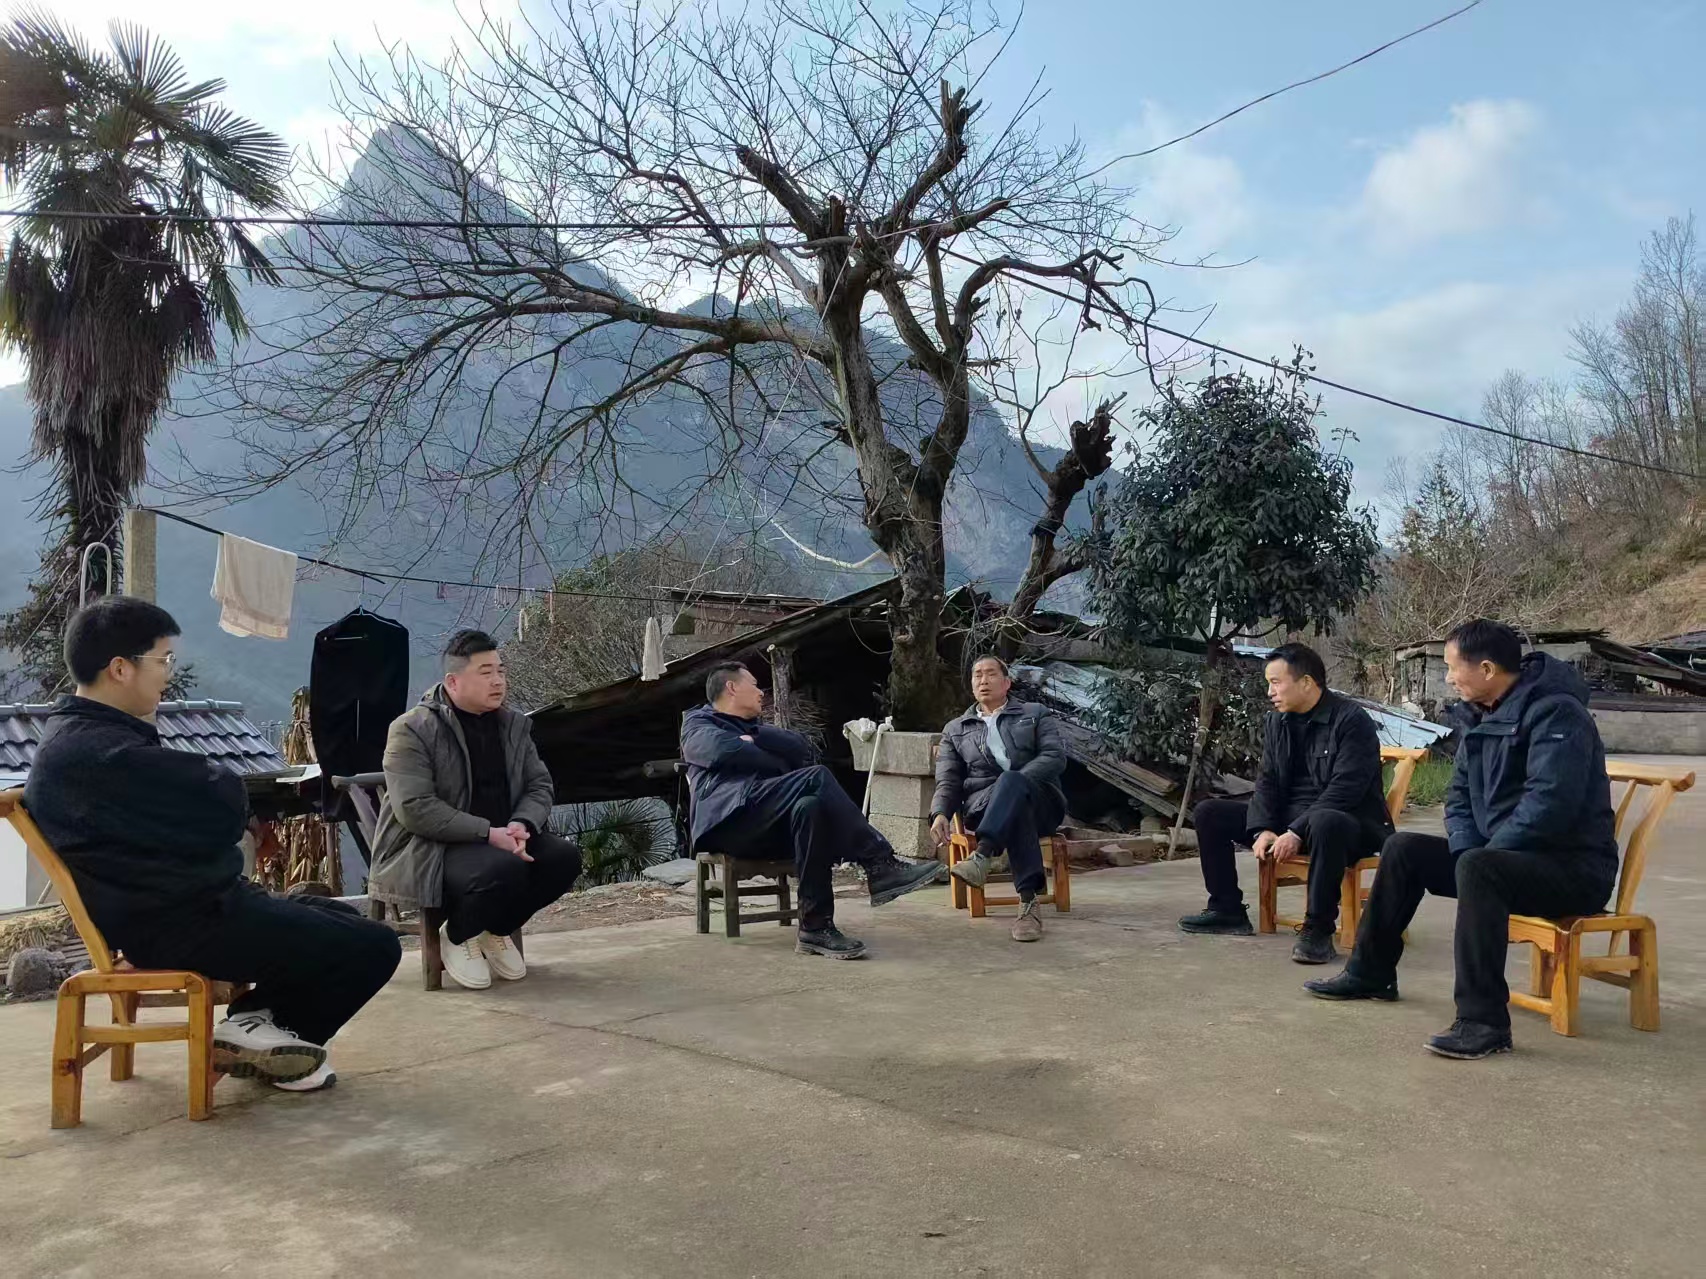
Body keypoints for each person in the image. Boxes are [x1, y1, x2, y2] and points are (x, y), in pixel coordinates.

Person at [23, 598, 401, 1093]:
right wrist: (223, 816)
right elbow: (219, 796)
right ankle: (267, 1033)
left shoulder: (82, 739)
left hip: (180, 908)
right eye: (162, 659)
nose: (167, 673)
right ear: (120, 668)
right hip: (184, 923)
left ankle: (254, 1025)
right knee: (376, 946)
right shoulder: (99, 753)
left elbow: (195, 813)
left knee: (341, 920)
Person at [1305, 619, 1620, 1060]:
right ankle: (1370, 973)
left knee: (1478, 868)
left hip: (1573, 869)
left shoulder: (1558, 714)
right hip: (1499, 861)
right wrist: (1471, 849)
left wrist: (1483, 856)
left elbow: (1550, 804)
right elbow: (1458, 797)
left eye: (1454, 668)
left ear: (1486, 669)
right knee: (1404, 848)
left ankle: (1483, 1021)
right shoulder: (1480, 716)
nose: (1450, 678)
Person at [681, 662, 946, 959]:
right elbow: (721, 751)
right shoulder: (698, 723)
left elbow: (800, 748)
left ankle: (815, 927)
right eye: (754, 685)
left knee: (810, 807)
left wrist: (752, 739)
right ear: (731, 687)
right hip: (727, 823)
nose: (761, 692)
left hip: (766, 822)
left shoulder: (754, 729)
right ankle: (879, 863)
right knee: (816, 778)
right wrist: (760, 753)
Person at [371, 631, 583, 991]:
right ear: (453, 681)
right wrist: (487, 833)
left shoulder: (513, 725)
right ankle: (457, 935)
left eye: (501, 671)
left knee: (564, 859)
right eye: (486, 673)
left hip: (503, 837)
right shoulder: (412, 729)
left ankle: (492, 929)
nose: (498, 681)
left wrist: (522, 823)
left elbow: (539, 785)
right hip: (430, 848)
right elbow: (415, 808)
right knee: (504, 868)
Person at [1179, 643, 1391, 964]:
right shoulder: (1277, 722)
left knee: (1325, 821)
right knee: (1210, 813)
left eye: (1276, 683)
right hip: (1292, 821)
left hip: (1349, 824)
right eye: (1269, 683)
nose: (1270, 692)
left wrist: (1296, 831)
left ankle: (1317, 930)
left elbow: (1346, 790)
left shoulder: (1351, 720)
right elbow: (1267, 780)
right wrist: (1262, 828)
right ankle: (1227, 909)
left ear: (1306, 682)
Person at [930, 655, 1068, 943]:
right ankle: (1028, 903)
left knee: (1012, 783)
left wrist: (1016, 782)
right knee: (1016, 809)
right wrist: (940, 812)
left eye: (991, 674)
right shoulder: (955, 729)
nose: (983, 680)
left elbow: (1054, 757)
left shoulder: (1035, 713)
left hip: (1042, 803)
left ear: (1007, 683)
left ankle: (982, 855)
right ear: (971, 685)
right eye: (977, 675)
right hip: (985, 807)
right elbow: (949, 780)